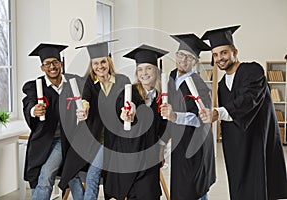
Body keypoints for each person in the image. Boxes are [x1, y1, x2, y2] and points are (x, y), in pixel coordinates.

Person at [200, 25, 287, 200]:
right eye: (215, 55)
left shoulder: (252, 71)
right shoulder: (222, 85)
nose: (220, 59)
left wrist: (217, 113)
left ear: (234, 51)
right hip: (235, 146)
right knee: (239, 187)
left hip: (257, 142)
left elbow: (248, 99)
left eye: (224, 53)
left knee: (259, 187)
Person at [58, 40, 131, 200]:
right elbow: (85, 100)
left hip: (112, 139)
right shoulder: (89, 83)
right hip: (91, 135)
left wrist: (127, 112)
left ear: (109, 61)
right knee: (69, 169)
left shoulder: (122, 81)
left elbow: (127, 103)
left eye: (103, 61)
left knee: (92, 174)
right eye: (95, 63)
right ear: (91, 65)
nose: (100, 66)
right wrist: (83, 110)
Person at [103, 44, 168, 200]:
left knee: (150, 194)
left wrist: (161, 151)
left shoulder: (161, 98)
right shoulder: (128, 93)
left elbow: (164, 129)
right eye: (140, 69)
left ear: (156, 71)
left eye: (148, 68)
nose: (144, 73)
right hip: (127, 156)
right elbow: (125, 108)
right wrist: (127, 115)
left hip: (149, 159)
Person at [22, 43, 84, 200]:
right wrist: (33, 110)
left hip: (65, 140)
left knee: (46, 174)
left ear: (61, 64)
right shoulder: (35, 87)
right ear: (42, 68)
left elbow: (92, 91)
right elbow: (29, 102)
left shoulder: (73, 83)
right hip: (42, 141)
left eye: (55, 62)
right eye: (47, 64)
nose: (52, 67)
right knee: (72, 175)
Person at [160, 33, 216, 200]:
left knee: (194, 188)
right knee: (180, 186)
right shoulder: (170, 77)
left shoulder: (200, 86)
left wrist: (175, 115)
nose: (183, 60)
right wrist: (162, 143)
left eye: (189, 57)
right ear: (176, 55)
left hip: (196, 143)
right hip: (179, 143)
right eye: (181, 55)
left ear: (196, 62)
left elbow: (201, 119)